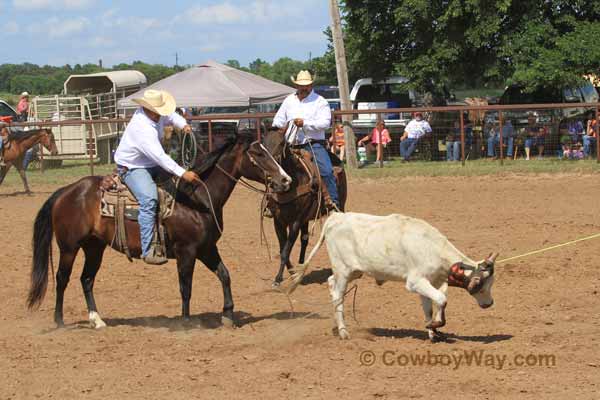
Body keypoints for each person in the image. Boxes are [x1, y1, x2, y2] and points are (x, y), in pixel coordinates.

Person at [113, 89, 201, 265]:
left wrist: (183, 124)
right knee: (149, 198)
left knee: (176, 192)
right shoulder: (142, 128)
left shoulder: (156, 115)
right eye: (159, 110)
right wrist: (183, 173)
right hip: (133, 167)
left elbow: (171, 116)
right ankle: (148, 249)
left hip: (149, 163)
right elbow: (160, 157)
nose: (162, 114)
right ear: (149, 109)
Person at [272, 70, 339, 210]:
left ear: (311, 85)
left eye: (307, 85)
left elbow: (325, 123)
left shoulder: (320, 101)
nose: (304, 88)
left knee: (326, 171)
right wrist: (279, 126)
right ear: (296, 85)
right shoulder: (289, 100)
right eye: (301, 85)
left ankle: (332, 202)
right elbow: (278, 118)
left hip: (313, 145)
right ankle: (272, 203)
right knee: (272, 170)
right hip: (290, 146)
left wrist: (305, 123)